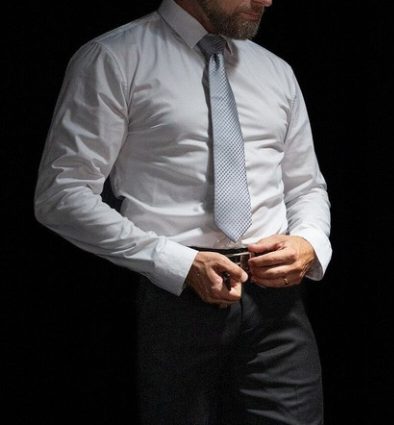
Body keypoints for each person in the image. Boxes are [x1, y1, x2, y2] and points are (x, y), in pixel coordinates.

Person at [34, 0, 331, 423]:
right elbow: (62, 193)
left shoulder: (276, 71)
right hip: (168, 300)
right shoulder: (114, 58)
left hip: (276, 306)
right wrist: (177, 263)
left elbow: (306, 186)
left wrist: (309, 241)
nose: (265, 0)